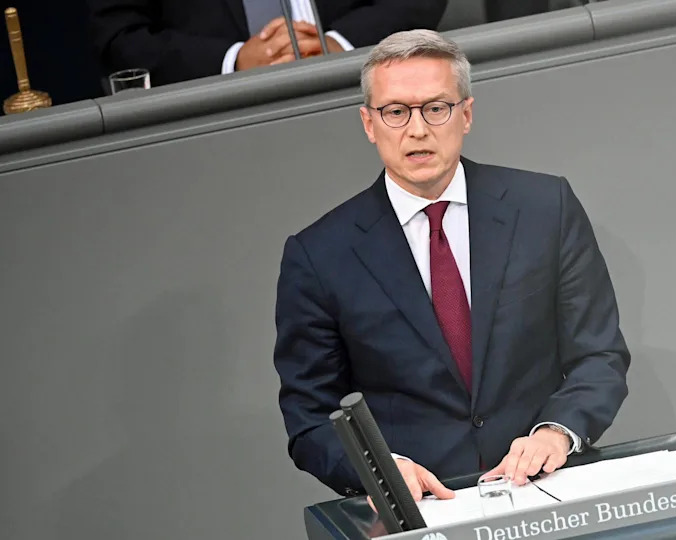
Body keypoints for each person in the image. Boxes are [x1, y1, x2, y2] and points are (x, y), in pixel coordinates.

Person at [273, 29, 630, 499]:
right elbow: (310, 418)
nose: (417, 130)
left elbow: (599, 356)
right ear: (368, 123)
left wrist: (556, 432)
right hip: (421, 507)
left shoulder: (545, 208)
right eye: (396, 112)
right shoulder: (319, 255)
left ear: (466, 114)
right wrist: (382, 470)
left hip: (548, 488)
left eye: (436, 108)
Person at [86, 0, 448, 86]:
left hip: (364, 88)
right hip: (213, 124)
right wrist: (235, 60)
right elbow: (119, 37)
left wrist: (340, 44)